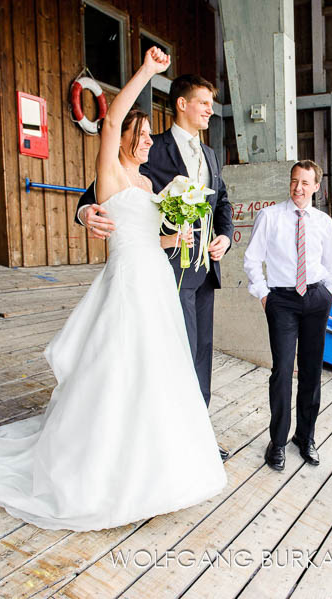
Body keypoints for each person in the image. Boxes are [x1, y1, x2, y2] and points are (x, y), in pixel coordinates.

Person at [0, 48, 226, 531]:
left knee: (161, 368)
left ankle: (159, 457)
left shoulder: (145, 179)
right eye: (138, 138)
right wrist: (147, 72)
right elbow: (112, 122)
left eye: (144, 139)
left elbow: (144, 231)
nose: (145, 145)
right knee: (118, 369)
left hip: (159, 277)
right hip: (129, 283)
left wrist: (173, 236)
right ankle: (104, 465)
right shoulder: (111, 169)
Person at [75, 74, 233, 460]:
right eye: (203, 103)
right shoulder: (151, 149)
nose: (210, 110)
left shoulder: (211, 155)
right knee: (170, 352)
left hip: (204, 269)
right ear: (181, 104)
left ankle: (197, 428)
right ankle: (174, 436)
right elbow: (96, 192)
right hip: (162, 272)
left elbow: (223, 201)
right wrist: (83, 214)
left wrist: (225, 237)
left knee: (199, 351)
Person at [243, 160, 332, 471]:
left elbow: (331, 262)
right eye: (294, 181)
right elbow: (252, 258)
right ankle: (278, 440)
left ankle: (305, 437)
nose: (298, 188)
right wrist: (263, 294)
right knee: (283, 371)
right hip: (282, 300)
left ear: (316, 187)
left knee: (312, 371)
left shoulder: (323, 221)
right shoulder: (269, 216)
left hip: (316, 298)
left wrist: (330, 291)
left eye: (304, 183)